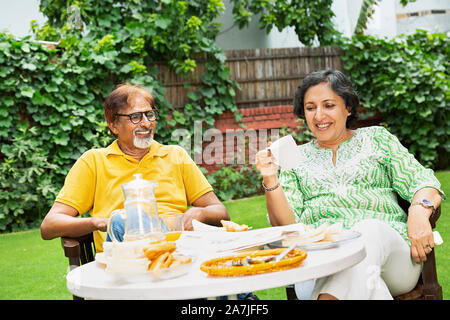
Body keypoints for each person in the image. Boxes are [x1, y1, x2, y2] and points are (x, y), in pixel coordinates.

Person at [255, 69, 444, 300]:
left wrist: (418, 210)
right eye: (310, 107)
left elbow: (423, 181)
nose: (318, 116)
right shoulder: (295, 158)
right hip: (319, 265)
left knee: (368, 231)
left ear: (348, 108)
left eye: (329, 105)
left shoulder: (377, 139)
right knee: (364, 282)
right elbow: (286, 226)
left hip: (392, 261)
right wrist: (270, 178)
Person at [40, 83, 230, 252]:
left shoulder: (175, 155)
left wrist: (201, 213)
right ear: (114, 125)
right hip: (125, 258)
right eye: (135, 117)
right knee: (125, 219)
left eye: (149, 114)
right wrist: (97, 223)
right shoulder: (94, 161)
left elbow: (222, 213)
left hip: (180, 250)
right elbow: (49, 226)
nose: (146, 123)